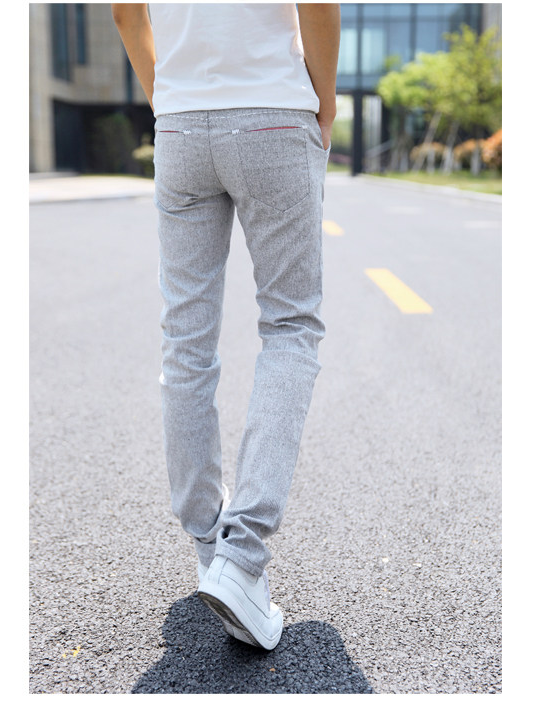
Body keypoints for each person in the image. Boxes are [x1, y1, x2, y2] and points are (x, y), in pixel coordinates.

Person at [112, 2, 340, 650]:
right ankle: (240, 560)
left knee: (185, 341)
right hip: (274, 111)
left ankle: (209, 545)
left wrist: (170, 101)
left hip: (181, 125)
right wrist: (323, 104)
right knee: (290, 325)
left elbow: (126, 13)